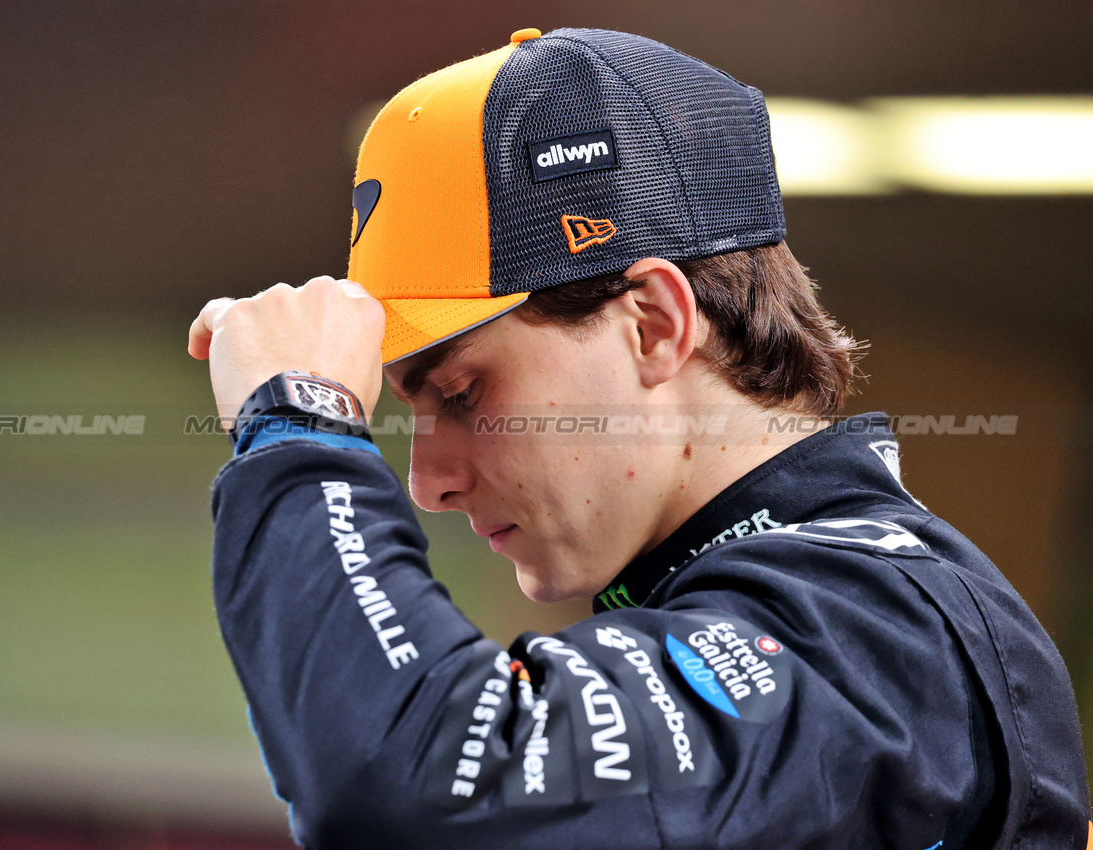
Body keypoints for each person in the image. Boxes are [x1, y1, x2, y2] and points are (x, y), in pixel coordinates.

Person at [188, 27, 1089, 849]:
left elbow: (413, 786)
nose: (426, 481)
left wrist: (299, 429)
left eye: (461, 392)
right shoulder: (801, 611)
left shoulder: (878, 633)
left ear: (654, 325)